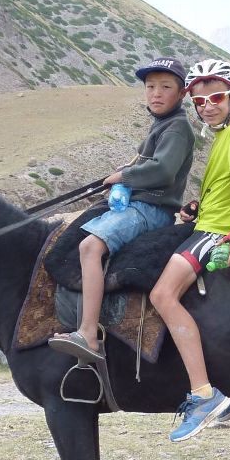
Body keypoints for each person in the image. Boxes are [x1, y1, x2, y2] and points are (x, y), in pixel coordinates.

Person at [149, 59, 230, 442]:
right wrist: (197, 206)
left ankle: (202, 394)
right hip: (207, 220)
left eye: (216, 97)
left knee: (163, 295)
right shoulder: (223, 137)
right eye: (199, 101)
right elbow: (227, 186)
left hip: (216, 231)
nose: (207, 106)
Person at [48, 57, 194, 363]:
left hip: (150, 210)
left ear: (181, 94)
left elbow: (164, 171)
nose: (156, 93)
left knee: (89, 247)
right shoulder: (162, 125)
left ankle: (87, 334)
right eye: (150, 86)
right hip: (138, 204)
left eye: (166, 87)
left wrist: (123, 177)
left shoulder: (178, 128)